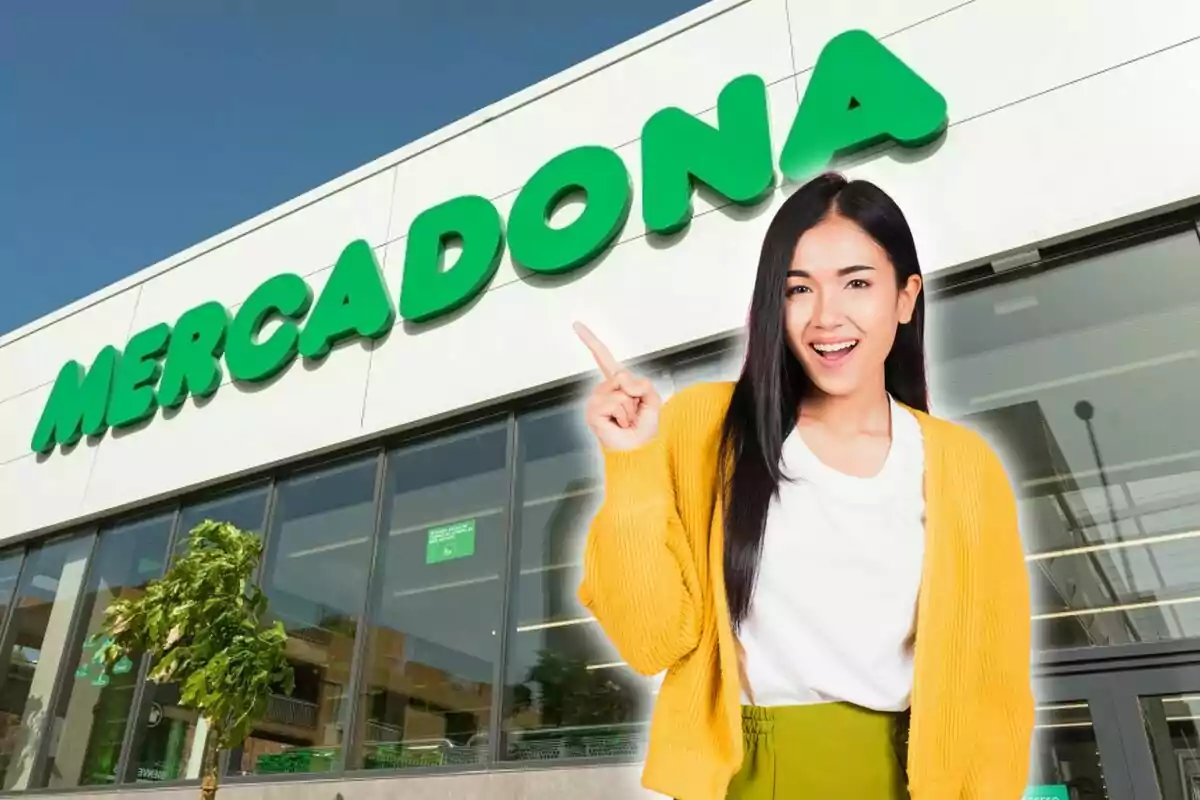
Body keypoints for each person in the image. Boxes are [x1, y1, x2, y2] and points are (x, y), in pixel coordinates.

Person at [574, 172, 1034, 800]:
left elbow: (992, 681)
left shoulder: (964, 465)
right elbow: (653, 641)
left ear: (905, 297)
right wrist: (632, 464)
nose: (826, 317)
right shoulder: (703, 427)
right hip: (746, 775)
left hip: (909, 779)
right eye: (799, 289)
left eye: (858, 283)